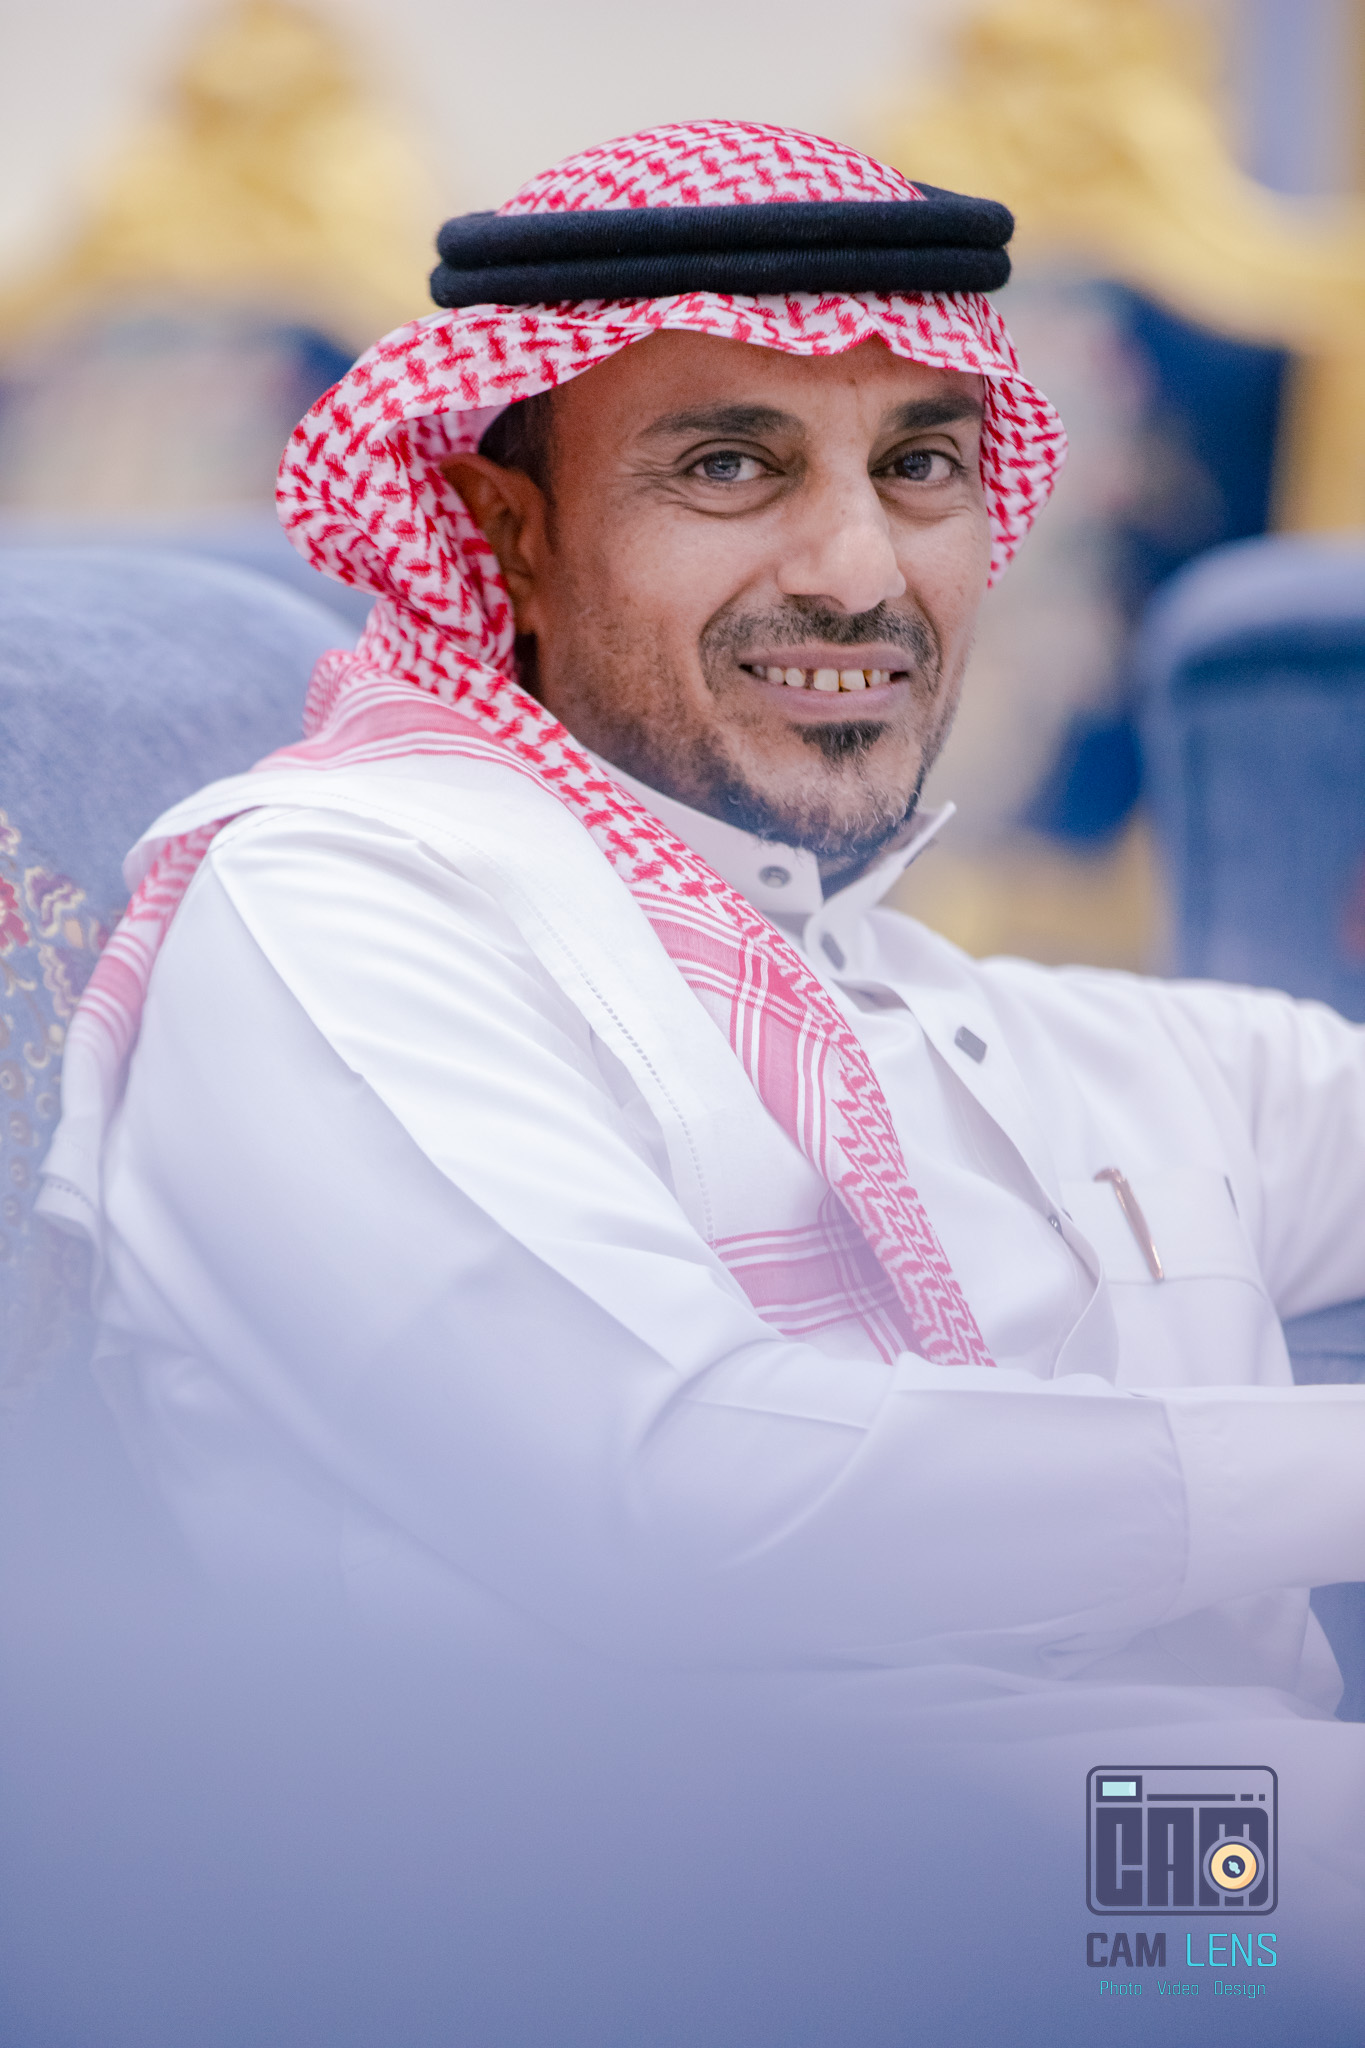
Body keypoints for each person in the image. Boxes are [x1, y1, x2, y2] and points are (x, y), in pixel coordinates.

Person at [37, 123, 1365, 1933]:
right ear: (507, 531)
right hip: (737, 1925)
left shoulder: (972, 1021)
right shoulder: (334, 905)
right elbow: (681, 1501)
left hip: (1178, 1869)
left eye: (919, 466)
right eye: (730, 466)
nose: (856, 571)